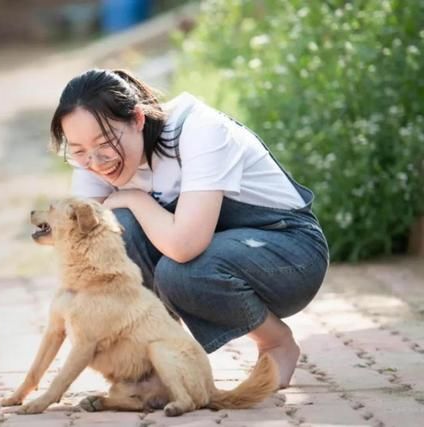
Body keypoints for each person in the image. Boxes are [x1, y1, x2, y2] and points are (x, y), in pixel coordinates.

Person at [49, 68, 329, 388]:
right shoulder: (92, 156)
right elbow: (81, 240)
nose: (96, 162)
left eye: (105, 142)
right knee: (114, 231)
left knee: (180, 270)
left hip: (289, 254)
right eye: (79, 150)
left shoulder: (198, 131)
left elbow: (185, 245)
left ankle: (276, 342)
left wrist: (136, 198)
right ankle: (160, 360)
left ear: (138, 119)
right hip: (218, 250)